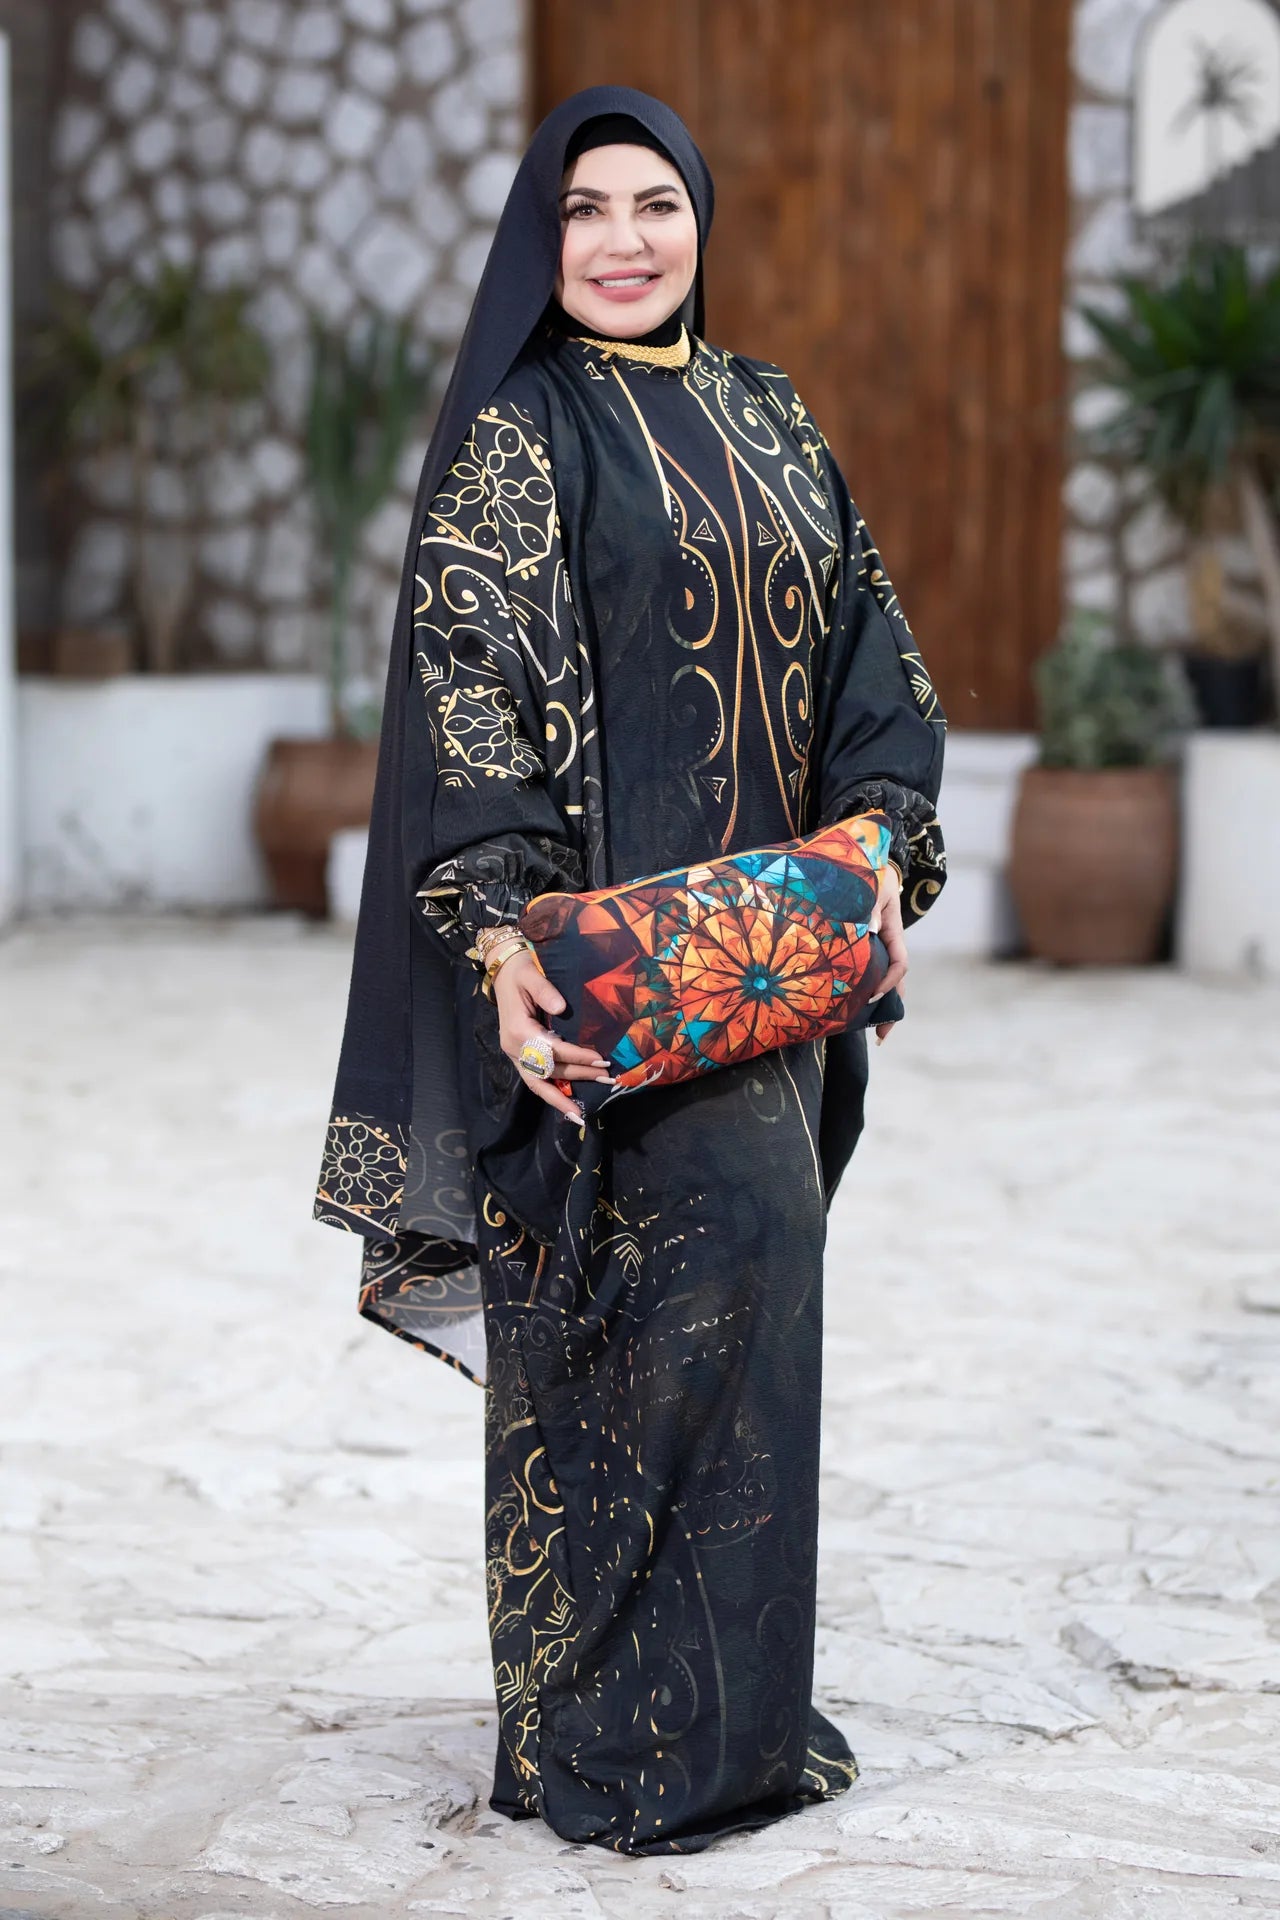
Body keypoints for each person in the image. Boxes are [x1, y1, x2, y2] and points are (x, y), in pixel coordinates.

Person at [315, 86, 946, 1856]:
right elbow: (466, 696)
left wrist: (882, 840)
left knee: (753, 1311)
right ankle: (608, 1731)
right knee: (637, 1323)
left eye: (654, 203)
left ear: (698, 223)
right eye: (585, 208)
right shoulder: (519, 440)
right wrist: (501, 930)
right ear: (547, 234)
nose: (622, 239)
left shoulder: (770, 413)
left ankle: (728, 1720)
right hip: (604, 981)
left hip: (772, 971)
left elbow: (871, 658)